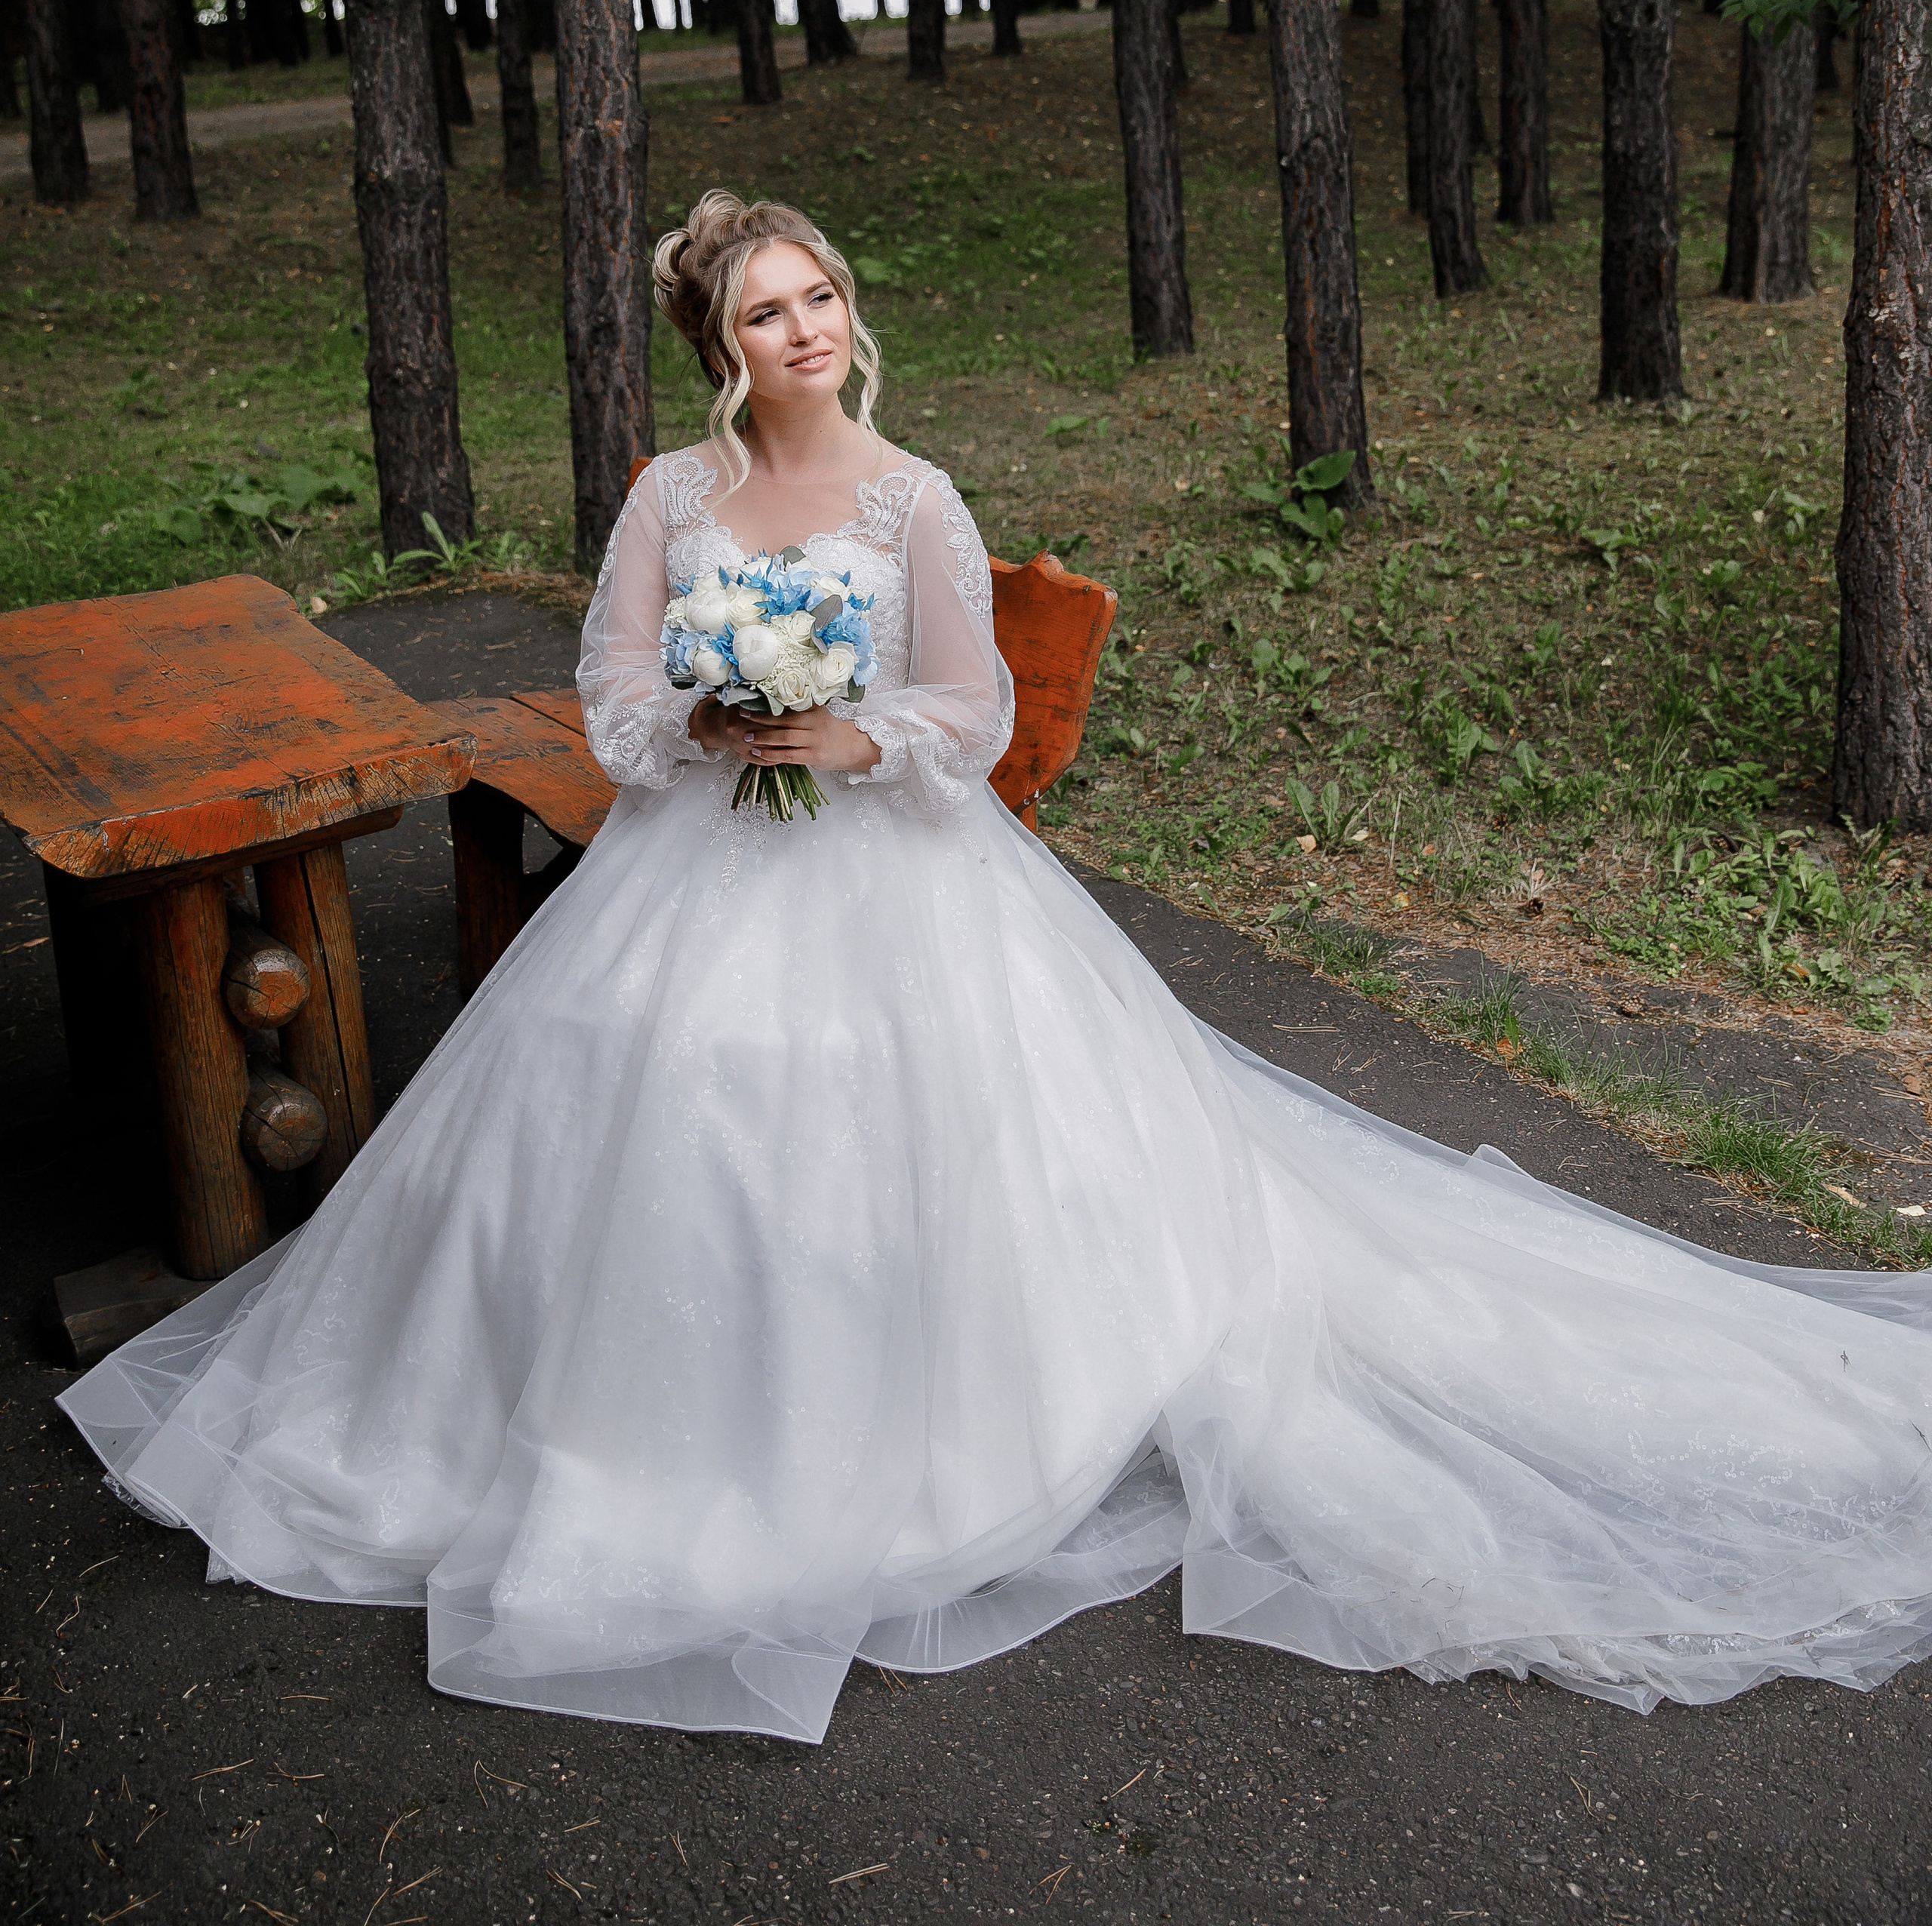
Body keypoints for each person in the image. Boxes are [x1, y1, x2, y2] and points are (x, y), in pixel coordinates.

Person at [61, 190, 1932, 1743]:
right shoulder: (665, 500)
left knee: (919, 1118)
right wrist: (709, 726)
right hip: (696, 855)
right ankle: (617, 1424)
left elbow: (974, 700)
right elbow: (611, 688)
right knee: (644, 1077)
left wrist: (847, 738)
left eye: (819, 300)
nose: (801, 332)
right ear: (713, 346)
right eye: (762, 312)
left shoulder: (911, 499)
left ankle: (945, 1425)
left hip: (895, 862)